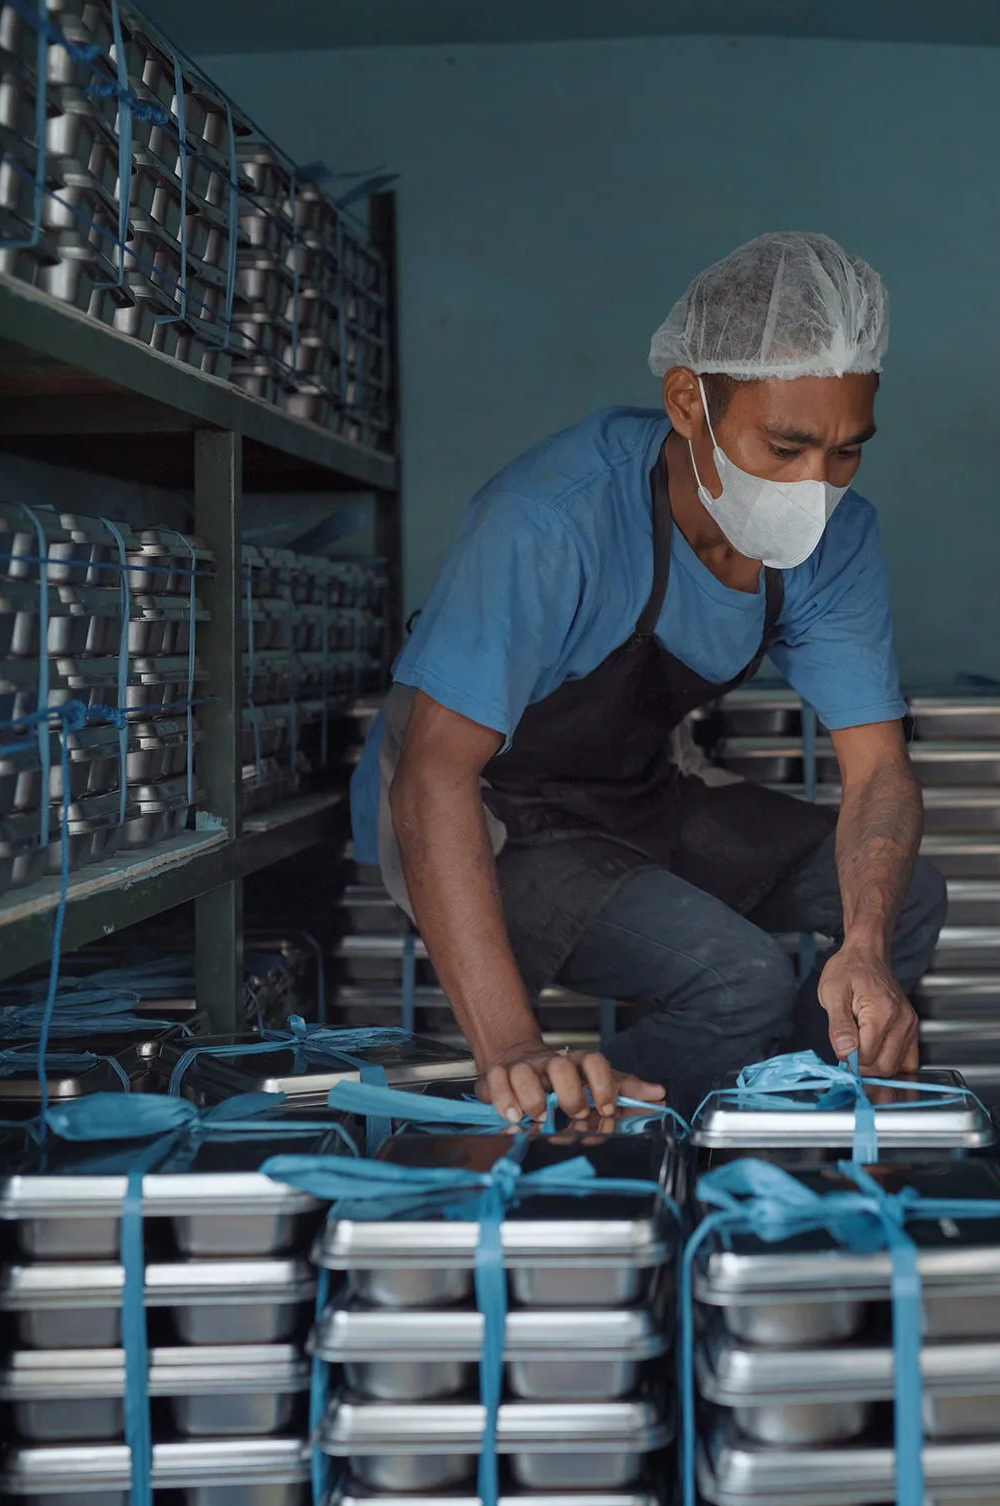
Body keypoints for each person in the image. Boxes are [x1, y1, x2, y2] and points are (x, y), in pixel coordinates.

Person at [352, 232, 945, 1122]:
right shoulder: (550, 519)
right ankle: (562, 1141)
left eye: (846, 451)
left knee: (906, 900)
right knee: (738, 979)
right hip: (495, 819)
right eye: (785, 448)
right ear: (687, 403)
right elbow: (435, 778)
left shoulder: (837, 540)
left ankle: (784, 1133)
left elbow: (877, 770)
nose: (816, 486)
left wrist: (861, 946)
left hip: (641, 794)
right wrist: (510, 1048)